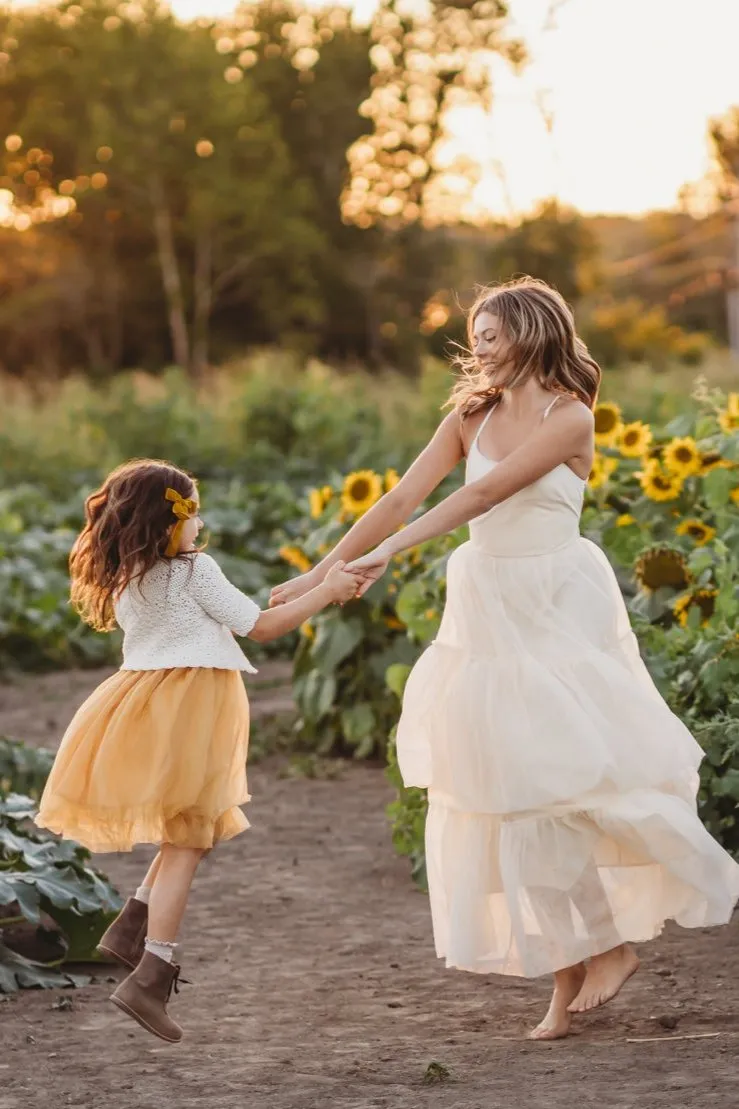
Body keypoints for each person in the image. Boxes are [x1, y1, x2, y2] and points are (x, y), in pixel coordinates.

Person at [270, 277, 739, 1041]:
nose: (478, 346)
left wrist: (386, 557)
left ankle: (609, 945)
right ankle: (575, 968)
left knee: (559, 782)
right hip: (485, 610)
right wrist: (324, 567)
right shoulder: (469, 413)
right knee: (509, 789)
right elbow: (399, 497)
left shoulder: (570, 416)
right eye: (475, 334)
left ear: (532, 332)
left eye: (491, 333)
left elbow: (478, 499)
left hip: (554, 603)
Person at [36, 459, 361, 1044]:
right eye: (192, 509)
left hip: (144, 704)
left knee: (191, 828)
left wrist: (317, 583)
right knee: (188, 838)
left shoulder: (131, 573)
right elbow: (259, 626)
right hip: (191, 708)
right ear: (169, 518)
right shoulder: (194, 570)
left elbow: (242, 614)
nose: (201, 521)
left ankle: (132, 922)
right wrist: (329, 592)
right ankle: (150, 973)